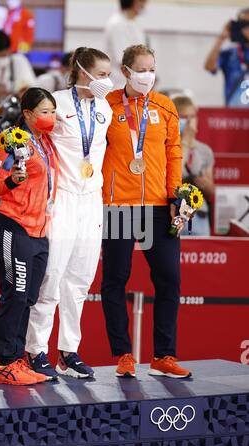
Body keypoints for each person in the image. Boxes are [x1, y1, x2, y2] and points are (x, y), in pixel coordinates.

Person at [101, 44, 191, 379]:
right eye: (141, 69)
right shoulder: (107, 105)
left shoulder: (166, 107)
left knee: (169, 279)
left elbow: (174, 154)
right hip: (120, 206)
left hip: (157, 206)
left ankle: (164, 355)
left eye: (152, 68)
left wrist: (175, 197)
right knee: (116, 279)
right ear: (124, 71)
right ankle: (123, 354)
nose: (147, 75)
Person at [25, 47, 113, 379]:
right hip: (61, 198)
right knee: (52, 275)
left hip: (91, 199)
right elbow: (29, 131)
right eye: (102, 75)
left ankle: (68, 351)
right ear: (81, 72)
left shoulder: (104, 106)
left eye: (108, 75)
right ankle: (35, 350)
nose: (107, 81)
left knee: (80, 279)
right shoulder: (57, 102)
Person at [0, 87, 57, 386]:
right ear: (27, 114)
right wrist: (13, 182)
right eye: (44, 112)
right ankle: (4, 363)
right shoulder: (12, 142)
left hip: (40, 231)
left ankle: (17, 359)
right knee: (14, 295)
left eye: (53, 112)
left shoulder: (46, 144)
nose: (51, 117)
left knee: (27, 298)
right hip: (13, 226)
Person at [172, 95, 215, 236]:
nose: (190, 122)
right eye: (184, 117)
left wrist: (205, 185)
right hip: (174, 213)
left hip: (199, 214)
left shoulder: (205, 150)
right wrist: (185, 142)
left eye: (193, 116)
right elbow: (175, 175)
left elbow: (211, 191)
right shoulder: (166, 147)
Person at [204, 8, 249, 107]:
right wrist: (221, 38)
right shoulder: (229, 53)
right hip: (233, 115)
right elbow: (209, 67)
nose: (247, 29)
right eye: (243, 24)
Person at [104, 0, 148, 89]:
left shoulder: (135, 23)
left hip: (134, 82)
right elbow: (123, 58)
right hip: (119, 83)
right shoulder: (117, 24)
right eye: (142, 2)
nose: (144, 5)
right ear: (135, 2)